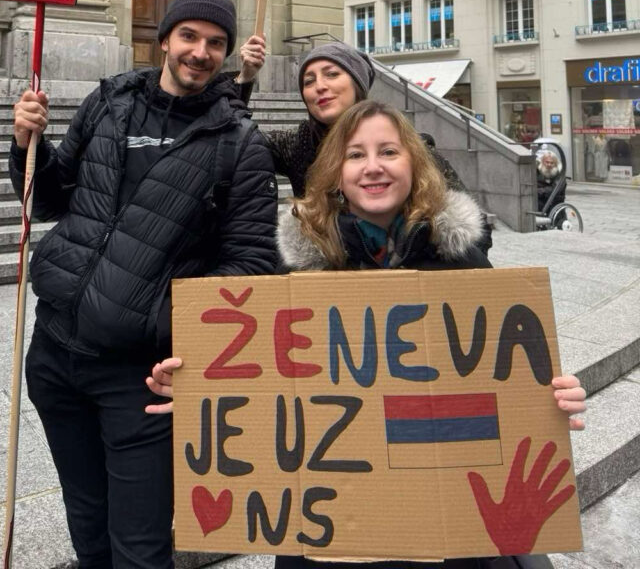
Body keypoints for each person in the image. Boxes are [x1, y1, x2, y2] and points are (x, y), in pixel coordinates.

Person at [147, 100, 586, 569]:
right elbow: (267, 389)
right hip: (328, 531)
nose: (372, 167)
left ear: (415, 166)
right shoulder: (292, 274)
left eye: (389, 152)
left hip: (444, 530)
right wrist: (205, 392)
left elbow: (496, 382)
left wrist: (551, 398)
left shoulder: (463, 262)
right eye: (356, 155)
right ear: (336, 174)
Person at [11, 0, 278, 569]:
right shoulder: (107, 102)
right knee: (86, 519)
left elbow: (251, 263)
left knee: (140, 546)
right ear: (164, 40)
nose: (200, 52)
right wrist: (28, 144)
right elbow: (51, 199)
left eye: (215, 43)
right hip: (54, 353)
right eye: (189, 36)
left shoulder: (239, 144)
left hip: (142, 378)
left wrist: (185, 344)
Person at [238, 36, 467, 199]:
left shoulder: (406, 145)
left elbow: (467, 222)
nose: (320, 86)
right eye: (308, 81)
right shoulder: (297, 144)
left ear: (357, 84)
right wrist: (244, 79)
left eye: (332, 74)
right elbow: (232, 135)